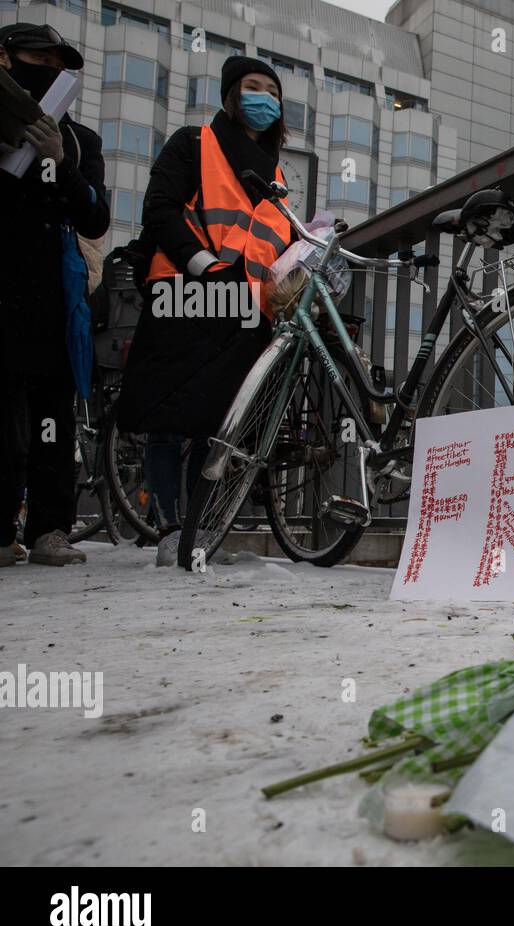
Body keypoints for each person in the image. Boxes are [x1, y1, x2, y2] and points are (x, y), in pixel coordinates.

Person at [114, 56, 294, 565]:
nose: (263, 98)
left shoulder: (277, 174)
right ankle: (171, 526)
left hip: (243, 309)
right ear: (231, 95)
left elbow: (273, 245)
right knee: (169, 417)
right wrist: (204, 265)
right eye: (252, 87)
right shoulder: (195, 143)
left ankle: (195, 527)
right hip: (185, 292)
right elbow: (161, 209)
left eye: (272, 92)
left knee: (214, 423)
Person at [0, 23, 109, 568]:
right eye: (34, 57)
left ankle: (49, 528)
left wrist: (59, 164)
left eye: (55, 61)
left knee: (52, 416)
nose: (45, 67)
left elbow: (96, 215)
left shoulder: (79, 140)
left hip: (53, 293)